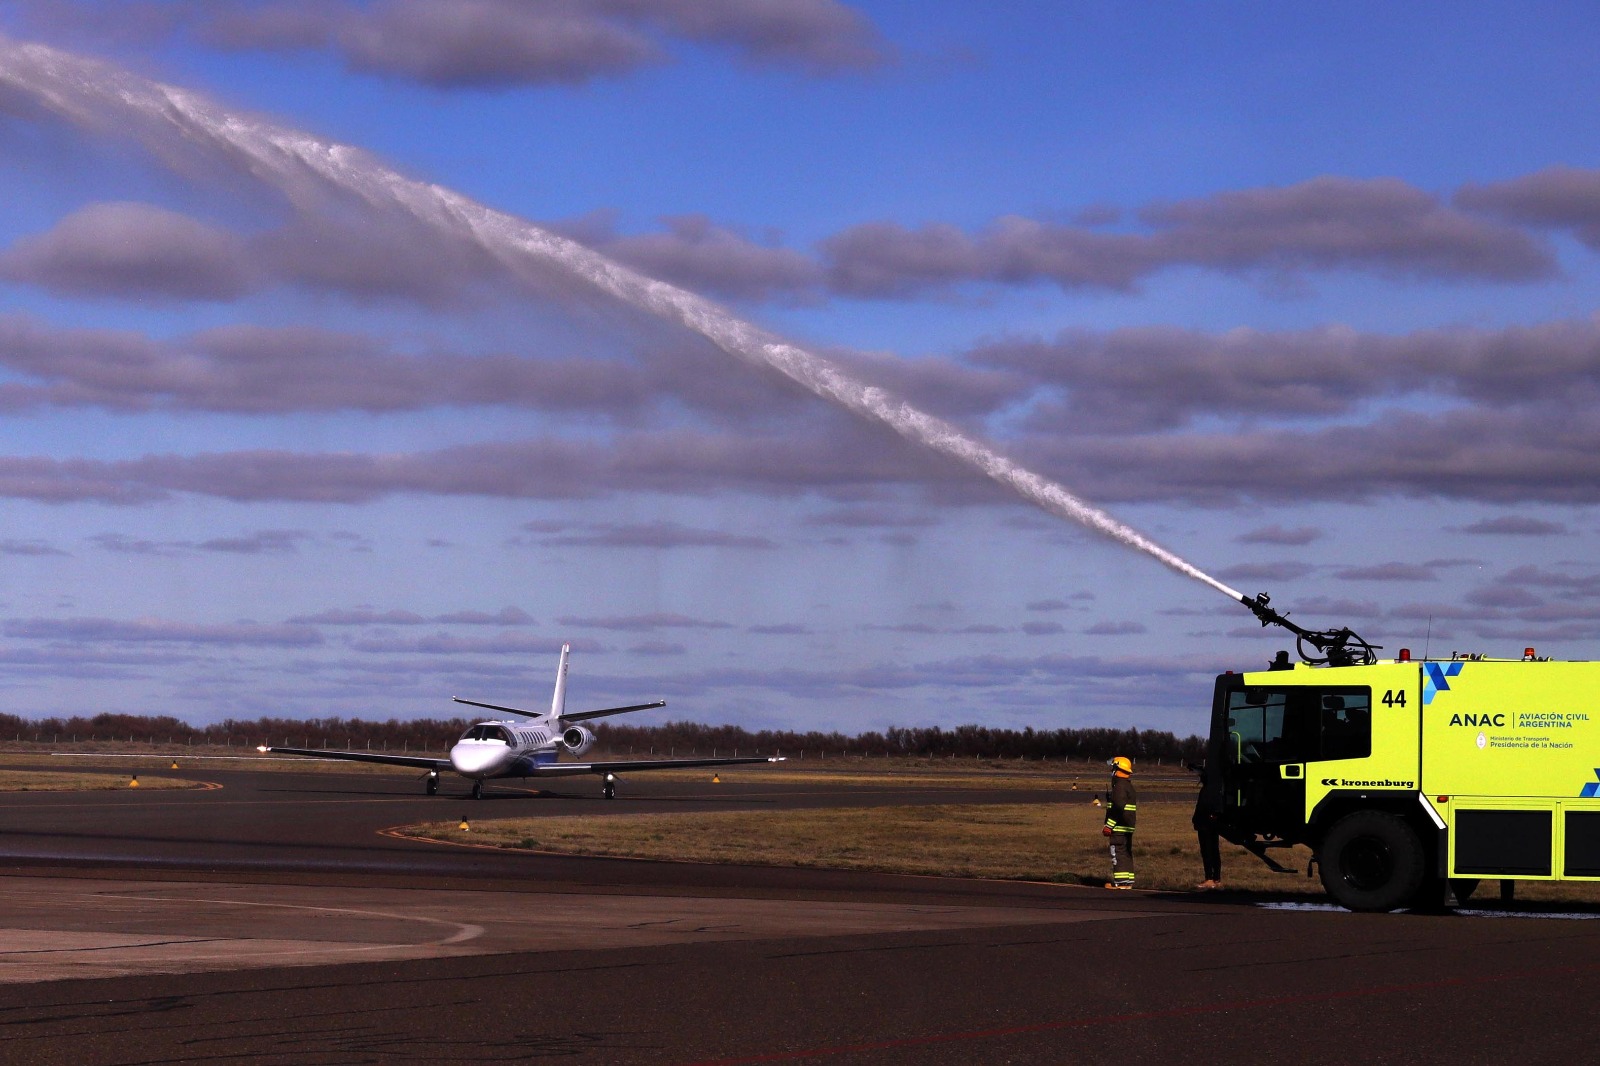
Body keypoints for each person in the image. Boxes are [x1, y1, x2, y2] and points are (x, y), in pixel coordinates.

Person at [1102, 756, 1137, 889]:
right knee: (1126, 852)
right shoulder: (1128, 785)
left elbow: (1118, 807)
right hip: (1127, 826)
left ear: (1117, 769)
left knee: (1117, 852)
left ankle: (1120, 882)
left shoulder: (1119, 786)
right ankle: (1127, 882)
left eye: (1113, 768)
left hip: (1119, 826)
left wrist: (1109, 826)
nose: (1112, 770)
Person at [1192, 765, 1223, 890]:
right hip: (1210, 825)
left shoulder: (1207, 791)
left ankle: (1210, 878)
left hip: (1205, 825)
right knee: (1214, 850)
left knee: (1207, 851)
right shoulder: (1214, 790)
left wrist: (1197, 819)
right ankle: (1216, 878)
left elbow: (1203, 808)